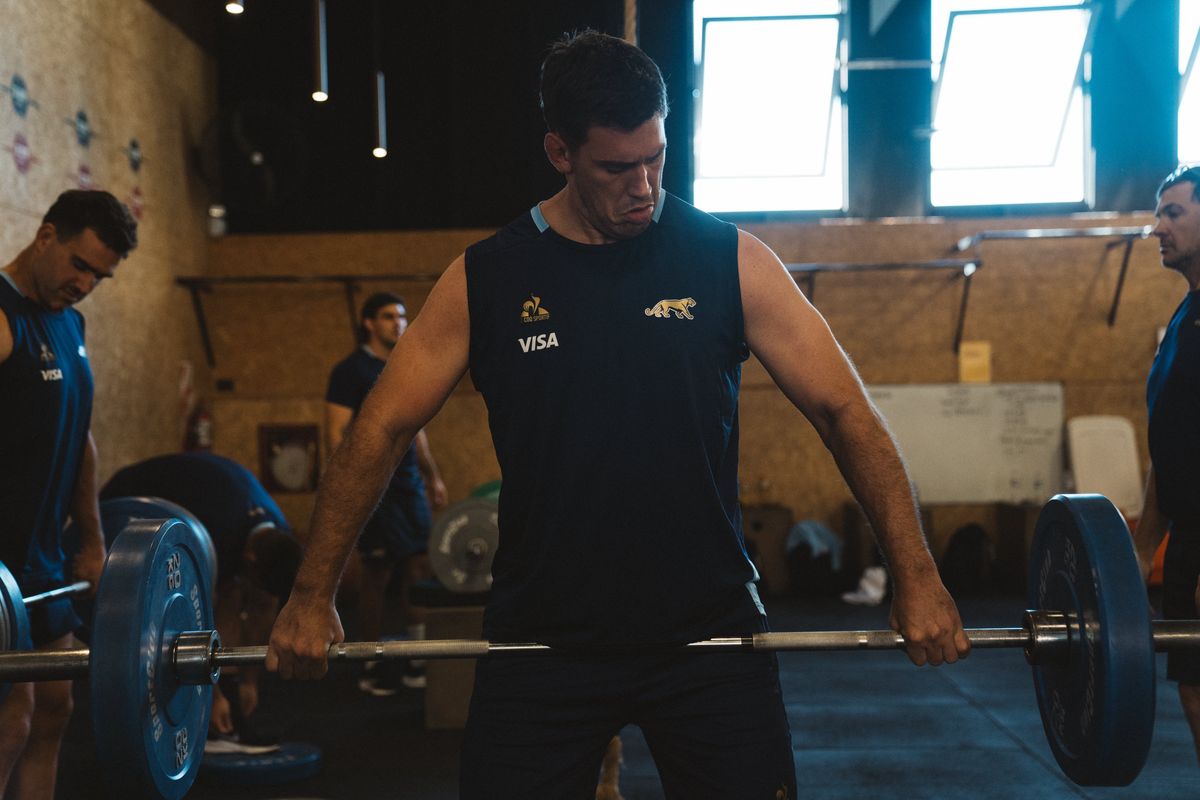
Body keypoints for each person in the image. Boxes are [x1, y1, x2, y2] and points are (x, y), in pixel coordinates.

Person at [268, 31, 968, 797]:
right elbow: (381, 428)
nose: (643, 185)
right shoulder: (489, 278)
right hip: (544, 641)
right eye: (615, 166)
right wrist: (311, 594)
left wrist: (917, 574)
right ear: (559, 152)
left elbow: (844, 410)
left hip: (708, 636)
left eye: (656, 157)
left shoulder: (728, 259)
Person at [0, 190, 137, 799]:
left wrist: (92, 538)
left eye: (99, 276)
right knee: (11, 723)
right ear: (47, 235)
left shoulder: (69, 322)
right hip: (0, 565)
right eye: (80, 265)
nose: (86, 284)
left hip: (45, 558)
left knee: (56, 708)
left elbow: (80, 439)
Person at [99, 451, 302, 746]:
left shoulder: (278, 531)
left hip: (202, 496)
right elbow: (199, 616)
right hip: (125, 499)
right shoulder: (218, 532)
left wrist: (249, 681)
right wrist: (211, 697)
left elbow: (262, 606)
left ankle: (230, 708)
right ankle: (201, 712)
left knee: (234, 590)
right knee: (190, 604)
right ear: (249, 557)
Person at [326, 292, 448, 694]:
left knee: (419, 568)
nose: (398, 323)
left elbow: (419, 426)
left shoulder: (404, 365)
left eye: (402, 316)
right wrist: (352, 485)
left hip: (408, 484)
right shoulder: (350, 371)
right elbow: (336, 433)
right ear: (368, 324)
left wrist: (433, 478)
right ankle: (370, 666)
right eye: (387, 316)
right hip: (374, 486)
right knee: (377, 575)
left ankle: (416, 659)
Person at [1134, 164, 1200, 764]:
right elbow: (1169, 442)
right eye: (1159, 214)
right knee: (1196, 693)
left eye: (1174, 213)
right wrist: (1138, 546)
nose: (1157, 228)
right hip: (1187, 548)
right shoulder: (1183, 319)